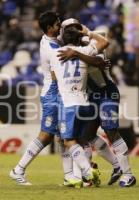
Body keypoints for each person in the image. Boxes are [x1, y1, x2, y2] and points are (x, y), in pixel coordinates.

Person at [57, 20, 136, 187]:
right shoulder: (76, 47)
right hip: (91, 97)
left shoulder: (91, 47)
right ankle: (111, 168)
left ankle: (128, 175)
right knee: (86, 136)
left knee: (110, 130)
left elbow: (99, 62)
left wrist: (79, 48)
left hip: (107, 92)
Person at [50, 23, 109, 187]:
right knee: (82, 141)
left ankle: (88, 172)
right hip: (85, 104)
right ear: (79, 38)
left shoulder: (55, 54)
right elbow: (104, 42)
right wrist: (87, 32)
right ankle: (81, 179)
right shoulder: (84, 51)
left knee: (68, 141)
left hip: (69, 105)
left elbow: (53, 77)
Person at [9, 11, 62, 186]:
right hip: (52, 94)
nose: (60, 25)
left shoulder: (51, 40)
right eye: (57, 23)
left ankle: (73, 176)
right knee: (46, 136)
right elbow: (56, 75)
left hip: (57, 94)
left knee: (66, 136)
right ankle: (18, 170)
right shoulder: (51, 48)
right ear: (49, 28)